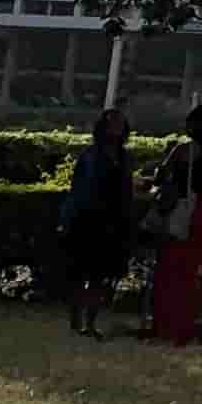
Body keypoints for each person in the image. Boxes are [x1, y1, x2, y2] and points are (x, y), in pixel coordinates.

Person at [140, 101, 202, 347]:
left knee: (168, 270)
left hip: (178, 211)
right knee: (188, 273)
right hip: (197, 211)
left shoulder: (185, 149)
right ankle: (183, 327)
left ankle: (165, 325)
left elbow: (161, 175)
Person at [59, 109, 134, 340]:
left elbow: (125, 190)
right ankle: (76, 319)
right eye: (112, 123)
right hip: (87, 220)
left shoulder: (124, 157)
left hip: (113, 222)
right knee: (80, 274)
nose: (116, 127)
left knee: (100, 277)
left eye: (120, 123)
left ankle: (90, 323)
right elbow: (80, 191)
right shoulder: (91, 155)